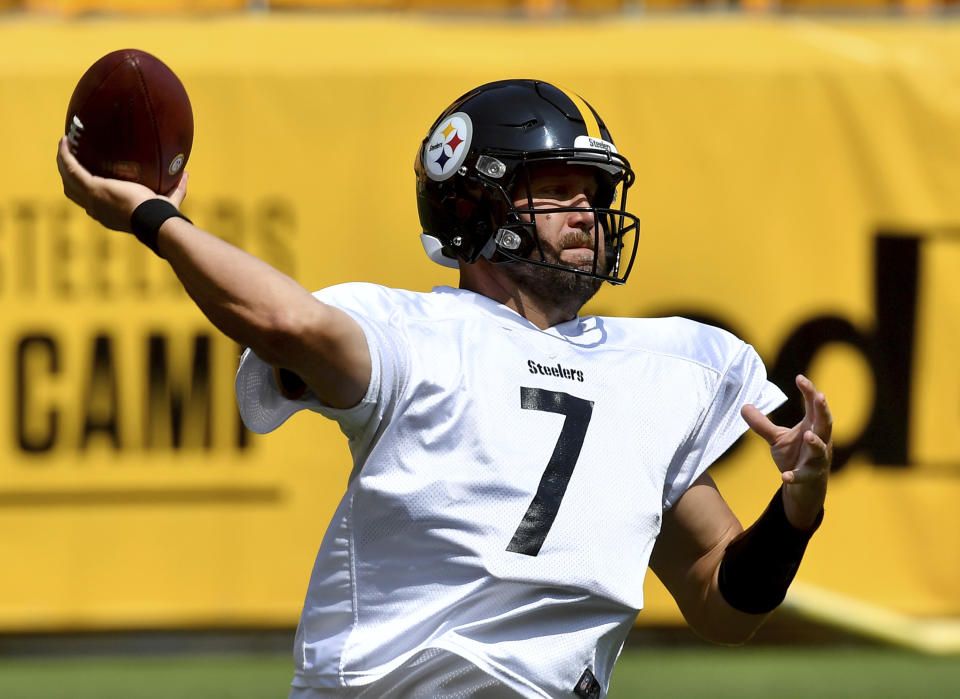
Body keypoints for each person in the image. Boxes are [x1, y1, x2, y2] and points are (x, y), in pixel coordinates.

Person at [57, 79, 832, 699]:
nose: (587, 215)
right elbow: (285, 321)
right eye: (557, 191)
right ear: (476, 202)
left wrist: (793, 515)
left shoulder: (655, 368)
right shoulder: (419, 334)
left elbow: (719, 597)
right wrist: (155, 218)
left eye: (593, 196)